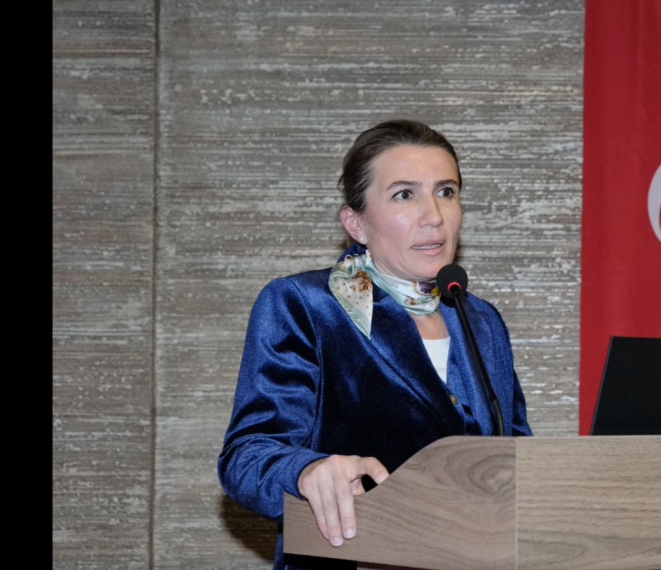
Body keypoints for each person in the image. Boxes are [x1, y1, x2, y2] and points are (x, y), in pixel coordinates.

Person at [218, 119, 532, 570]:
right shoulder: (306, 305)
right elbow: (247, 458)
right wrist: (305, 471)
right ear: (356, 223)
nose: (434, 215)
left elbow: (516, 456)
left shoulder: (481, 321)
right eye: (404, 195)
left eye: (446, 191)